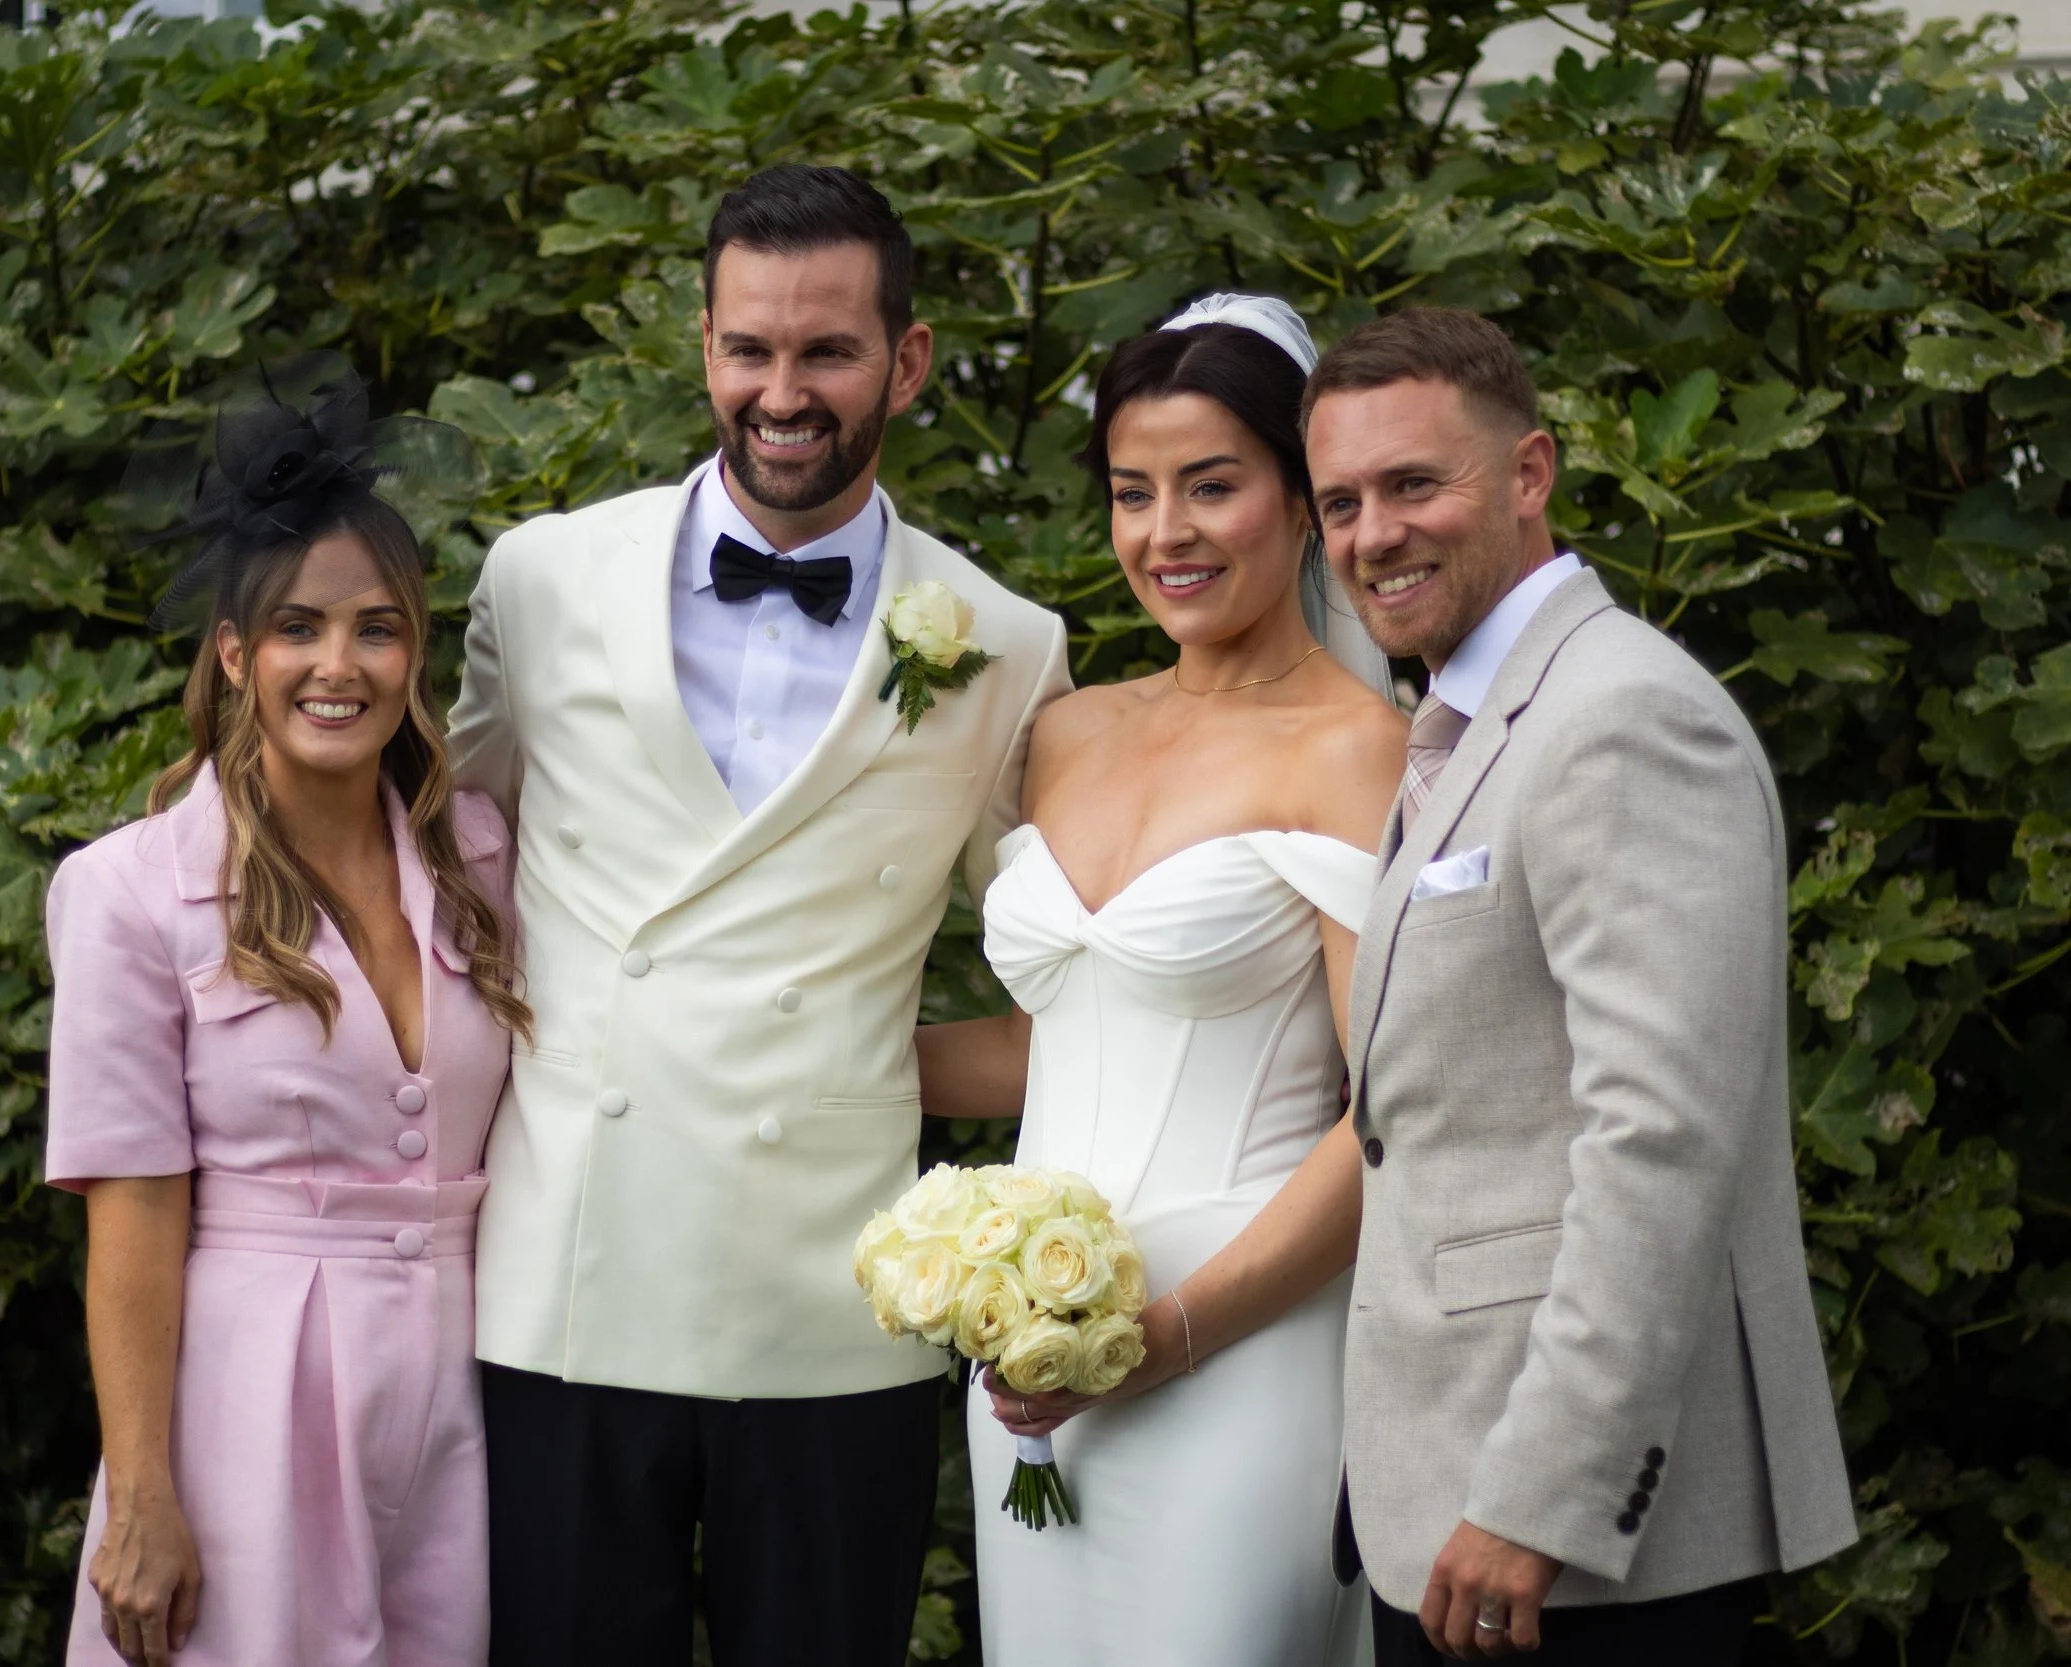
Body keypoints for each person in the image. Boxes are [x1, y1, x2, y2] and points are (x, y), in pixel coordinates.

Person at [448, 164, 1070, 1667]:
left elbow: (1076, 976)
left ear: (906, 363)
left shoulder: (1001, 644)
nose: (782, 392)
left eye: (828, 352)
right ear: (705, 346)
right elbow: (424, 864)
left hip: (833, 1297)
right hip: (569, 1283)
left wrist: (878, 1079)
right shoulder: (537, 580)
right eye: (751, 349)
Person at [1303, 307, 1857, 1664]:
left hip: (1575, 1548)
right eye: (1341, 501)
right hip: (1448, 1503)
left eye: (1415, 483)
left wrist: (1539, 1493)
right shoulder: (1475, 719)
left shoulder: (1622, 717)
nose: (1375, 532)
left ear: (1531, 473)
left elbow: (1660, 1140)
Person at [914, 295, 1405, 1664]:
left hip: (1240, 1350)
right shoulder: (1067, 730)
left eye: (1211, 486)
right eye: (1134, 492)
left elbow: (1390, 1116)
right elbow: (1050, 1044)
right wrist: (815, 1052)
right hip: (1029, 1360)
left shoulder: (1358, 750)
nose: (1165, 533)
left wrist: (1171, 1332)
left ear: (1304, 499)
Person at [43, 362, 521, 1667]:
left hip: (469, 1394)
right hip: (250, 1399)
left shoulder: (482, 858)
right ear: (238, 655)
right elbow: (133, 1208)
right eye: (300, 629)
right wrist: (142, 1493)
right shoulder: (130, 892)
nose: (339, 663)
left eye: (376, 628)